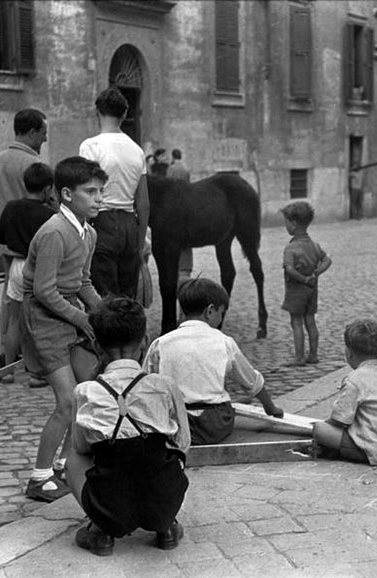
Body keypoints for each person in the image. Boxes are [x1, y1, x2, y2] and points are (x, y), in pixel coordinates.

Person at [68, 296, 190, 556]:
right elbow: (183, 443)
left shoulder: (85, 391)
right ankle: (167, 526)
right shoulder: (164, 386)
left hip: (110, 507)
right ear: (144, 342)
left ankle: (99, 530)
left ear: (95, 345)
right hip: (164, 500)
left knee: (74, 456)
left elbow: (81, 447)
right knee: (169, 449)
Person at [20, 156, 105, 502]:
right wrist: (82, 318)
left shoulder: (89, 232)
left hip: (66, 311)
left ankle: (66, 464)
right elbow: (43, 291)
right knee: (67, 402)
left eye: (101, 191)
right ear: (66, 194)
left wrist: (102, 312)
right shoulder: (55, 232)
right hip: (43, 317)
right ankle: (39, 478)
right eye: (90, 192)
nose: (99, 198)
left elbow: (82, 281)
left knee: (87, 394)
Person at [144, 277, 284, 445]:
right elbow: (252, 381)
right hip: (214, 425)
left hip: (176, 424)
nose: (221, 319)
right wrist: (270, 408)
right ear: (210, 311)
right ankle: (227, 403)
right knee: (221, 403)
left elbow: (145, 383)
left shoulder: (160, 344)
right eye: (221, 313)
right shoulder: (224, 342)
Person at [0, 108, 48, 366]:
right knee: (32, 299)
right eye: (43, 134)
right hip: (29, 242)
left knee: (9, 297)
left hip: (3, 237)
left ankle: (7, 350)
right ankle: (32, 354)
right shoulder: (34, 164)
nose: (44, 139)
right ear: (32, 132)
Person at [311, 319, 377, 466]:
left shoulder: (354, 380)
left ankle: (338, 450)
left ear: (349, 353)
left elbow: (339, 420)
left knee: (319, 430)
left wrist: (325, 426)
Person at [79, 87, 149, 300]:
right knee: (128, 297)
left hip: (102, 222)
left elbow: (85, 192)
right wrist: (140, 238)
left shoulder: (90, 146)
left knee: (105, 296)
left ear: (97, 112)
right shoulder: (137, 150)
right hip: (130, 222)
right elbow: (144, 203)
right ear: (125, 114)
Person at [0, 163, 56, 380]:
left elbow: (2, 240)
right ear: (48, 189)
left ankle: (8, 370)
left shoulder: (11, 208)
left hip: (17, 266)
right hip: (40, 267)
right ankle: (36, 375)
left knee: (14, 321)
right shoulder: (49, 215)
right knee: (38, 323)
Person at [280, 201, 332, 366]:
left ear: (293, 224)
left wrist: (303, 279)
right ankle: (313, 355)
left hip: (296, 290)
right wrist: (315, 273)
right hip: (312, 290)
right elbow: (327, 260)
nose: (286, 226)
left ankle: (299, 357)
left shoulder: (291, 249)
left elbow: (289, 270)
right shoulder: (314, 245)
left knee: (296, 322)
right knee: (310, 320)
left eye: (286, 223)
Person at [165, 148, 193, 280]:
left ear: (173, 156)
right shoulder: (186, 169)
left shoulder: (171, 169)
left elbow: (167, 186)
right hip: (186, 204)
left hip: (173, 205)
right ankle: (186, 266)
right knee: (186, 236)